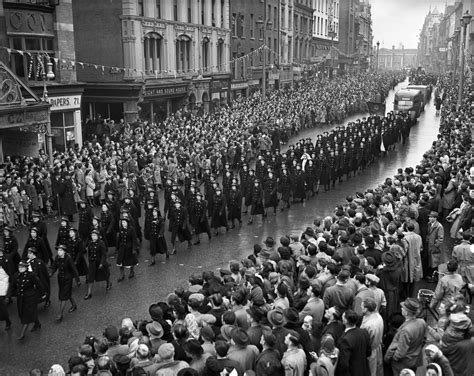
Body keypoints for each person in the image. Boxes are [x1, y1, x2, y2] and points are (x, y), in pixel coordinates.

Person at [384, 298, 427, 375]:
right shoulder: (422, 322)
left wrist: (392, 359)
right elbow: (424, 340)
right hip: (415, 360)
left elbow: (400, 353)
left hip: (402, 365)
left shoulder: (406, 330)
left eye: (403, 308)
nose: (401, 309)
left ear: (406, 312)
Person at [8, 261, 46, 340]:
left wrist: (43, 294)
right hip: (21, 299)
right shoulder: (16, 275)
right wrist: (8, 296)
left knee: (26, 316)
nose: (20, 268)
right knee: (23, 314)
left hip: (30, 298)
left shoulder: (31, 275)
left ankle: (22, 334)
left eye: (22, 267)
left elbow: (39, 284)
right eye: (19, 267)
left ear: (26, 268)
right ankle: (37, 323)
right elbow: (12, 286)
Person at [335, 310, 371, 376]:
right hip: (364, 370)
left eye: (343, 317)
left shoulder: (345, 340)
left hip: (352, 372)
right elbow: (369, 352)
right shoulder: (364, 332)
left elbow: (344, 364)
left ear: (345, 321)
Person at [49, 244, 80, 322]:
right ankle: (74, 305)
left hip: (68, 279)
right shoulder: (57, 258)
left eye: (60, 250)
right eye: (58, 250)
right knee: (66, 293)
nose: (59, 252)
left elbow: (74, 269)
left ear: (64, 252)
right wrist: (51, 273)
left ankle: (60, 314)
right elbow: (54, 266)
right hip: (60, 279)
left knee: (63, 296)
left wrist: (77, 280)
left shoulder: (68, 259)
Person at [84, 229, 111, 299]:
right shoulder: (90, 243)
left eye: (95, 235)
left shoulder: (101, 243)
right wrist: (90, 260)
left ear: (98, 236)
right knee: (91, 277)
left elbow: (104, 254)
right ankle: (89, 293)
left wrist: (102, 263)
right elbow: (89, 252)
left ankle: (108, 283)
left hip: (100, 262)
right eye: (92, 235)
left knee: (105, 274)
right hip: (93, 263)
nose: (93, 237)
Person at [360, 297, 384, 376]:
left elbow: (365, 342)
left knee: (370, 371)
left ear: (366, 309)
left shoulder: (369, 325)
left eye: (362, 306)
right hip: (377, 347)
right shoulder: (378, 316)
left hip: (370, 352)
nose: (360, 307)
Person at [427, 211, 444, 280]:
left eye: (431, 217)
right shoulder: (429, 224)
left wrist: (435, 246)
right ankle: (431, 276)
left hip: (434, 247)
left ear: (435, 218)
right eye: (429, 217)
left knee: (434, 263)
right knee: (431, 262)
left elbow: (440, 239)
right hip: (429, 245)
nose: (429, 218)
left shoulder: (439, 226)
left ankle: (434, 277)